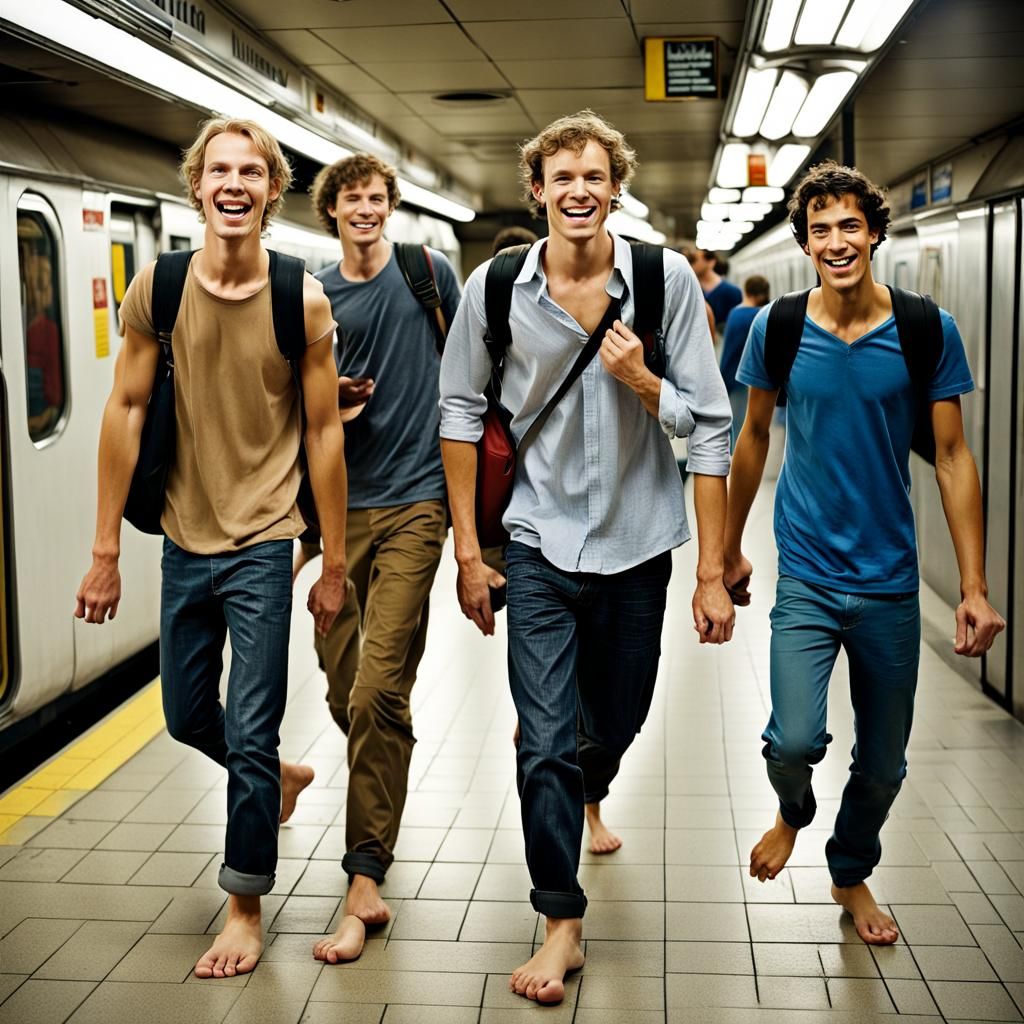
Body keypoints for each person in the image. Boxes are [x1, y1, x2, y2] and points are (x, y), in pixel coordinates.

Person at [439, 110, 734, 1003]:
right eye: (560, 177)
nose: (577, 190)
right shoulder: (496, 290)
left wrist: (648, 386)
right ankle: (560, 920)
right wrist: (466, 549)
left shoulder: (664, 279)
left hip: (640, 543)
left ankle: (585, 778)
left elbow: (712, 426)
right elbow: (458, 410)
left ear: (616, 188)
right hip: (536, 540)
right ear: (538, 191)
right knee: (545, 742)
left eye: (593, 176)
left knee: (619, 715)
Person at [74, 117, 348, 979]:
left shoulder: (298, 296)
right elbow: (123, 412)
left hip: (267, 538)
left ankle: (243, 907)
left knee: (253, 718)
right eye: (219, 171)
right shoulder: (157, 289)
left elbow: (323, 431)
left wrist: (332, 559)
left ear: (271, 191)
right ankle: (278, 777)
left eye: (251, 172)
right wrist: (105, 549)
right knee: (188, 715)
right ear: (198, 187)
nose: (234, 184)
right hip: (187, 535)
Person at [724, 160, 1005, 945]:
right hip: (808, 573)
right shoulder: (777, 328)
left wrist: (974, 586)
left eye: (850, 225)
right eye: (821, 229)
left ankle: (850, 872)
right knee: (794, 739)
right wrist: (726, 552)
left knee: (883, 765)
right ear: (805, 243)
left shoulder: (925, 329)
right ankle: (793, 812)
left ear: (875, 232)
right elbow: (752, 438)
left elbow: (952, 457)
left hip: (888, 581)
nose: (837, 240)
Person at [304, 153, 461, 965]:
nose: (365, 208)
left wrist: (477, 539)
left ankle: (364, 879)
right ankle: (385, 742)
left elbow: (475, 376)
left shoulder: (426, 275)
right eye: (351, 199)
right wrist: (327, 401)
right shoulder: (308, 293)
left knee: (376, 686)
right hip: (334, 514)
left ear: (389, 209)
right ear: (330, 211)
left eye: (377, 198)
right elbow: (285, 398)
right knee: (350, 693)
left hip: (416, 505)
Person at [720, 275, 770, 447]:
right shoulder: (756, 316)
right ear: (762, 294)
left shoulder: (734, 312)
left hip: (728, 373)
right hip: (743, 379)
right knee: (742, 426)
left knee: (733, 421)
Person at [686, 247, 742, 335]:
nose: (690, 263)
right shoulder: (689, 291)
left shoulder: (732, 292)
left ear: (711, 262)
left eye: (694, 260)